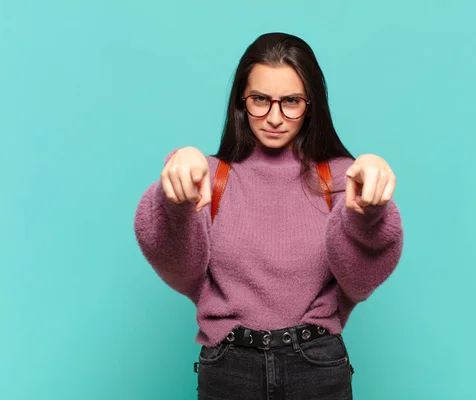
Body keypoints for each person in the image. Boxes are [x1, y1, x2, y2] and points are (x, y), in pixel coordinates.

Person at [134, 32, 404, 400]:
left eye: (291, 101)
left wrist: (368, 214)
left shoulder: (343, 178)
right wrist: (174, 200)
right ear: (242, 103)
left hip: (316, 365)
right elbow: (182, 272)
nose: (275, 118)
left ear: (311, 105)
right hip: (230, 367)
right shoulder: (209, 177)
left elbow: (358, 283)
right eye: (260, 100)